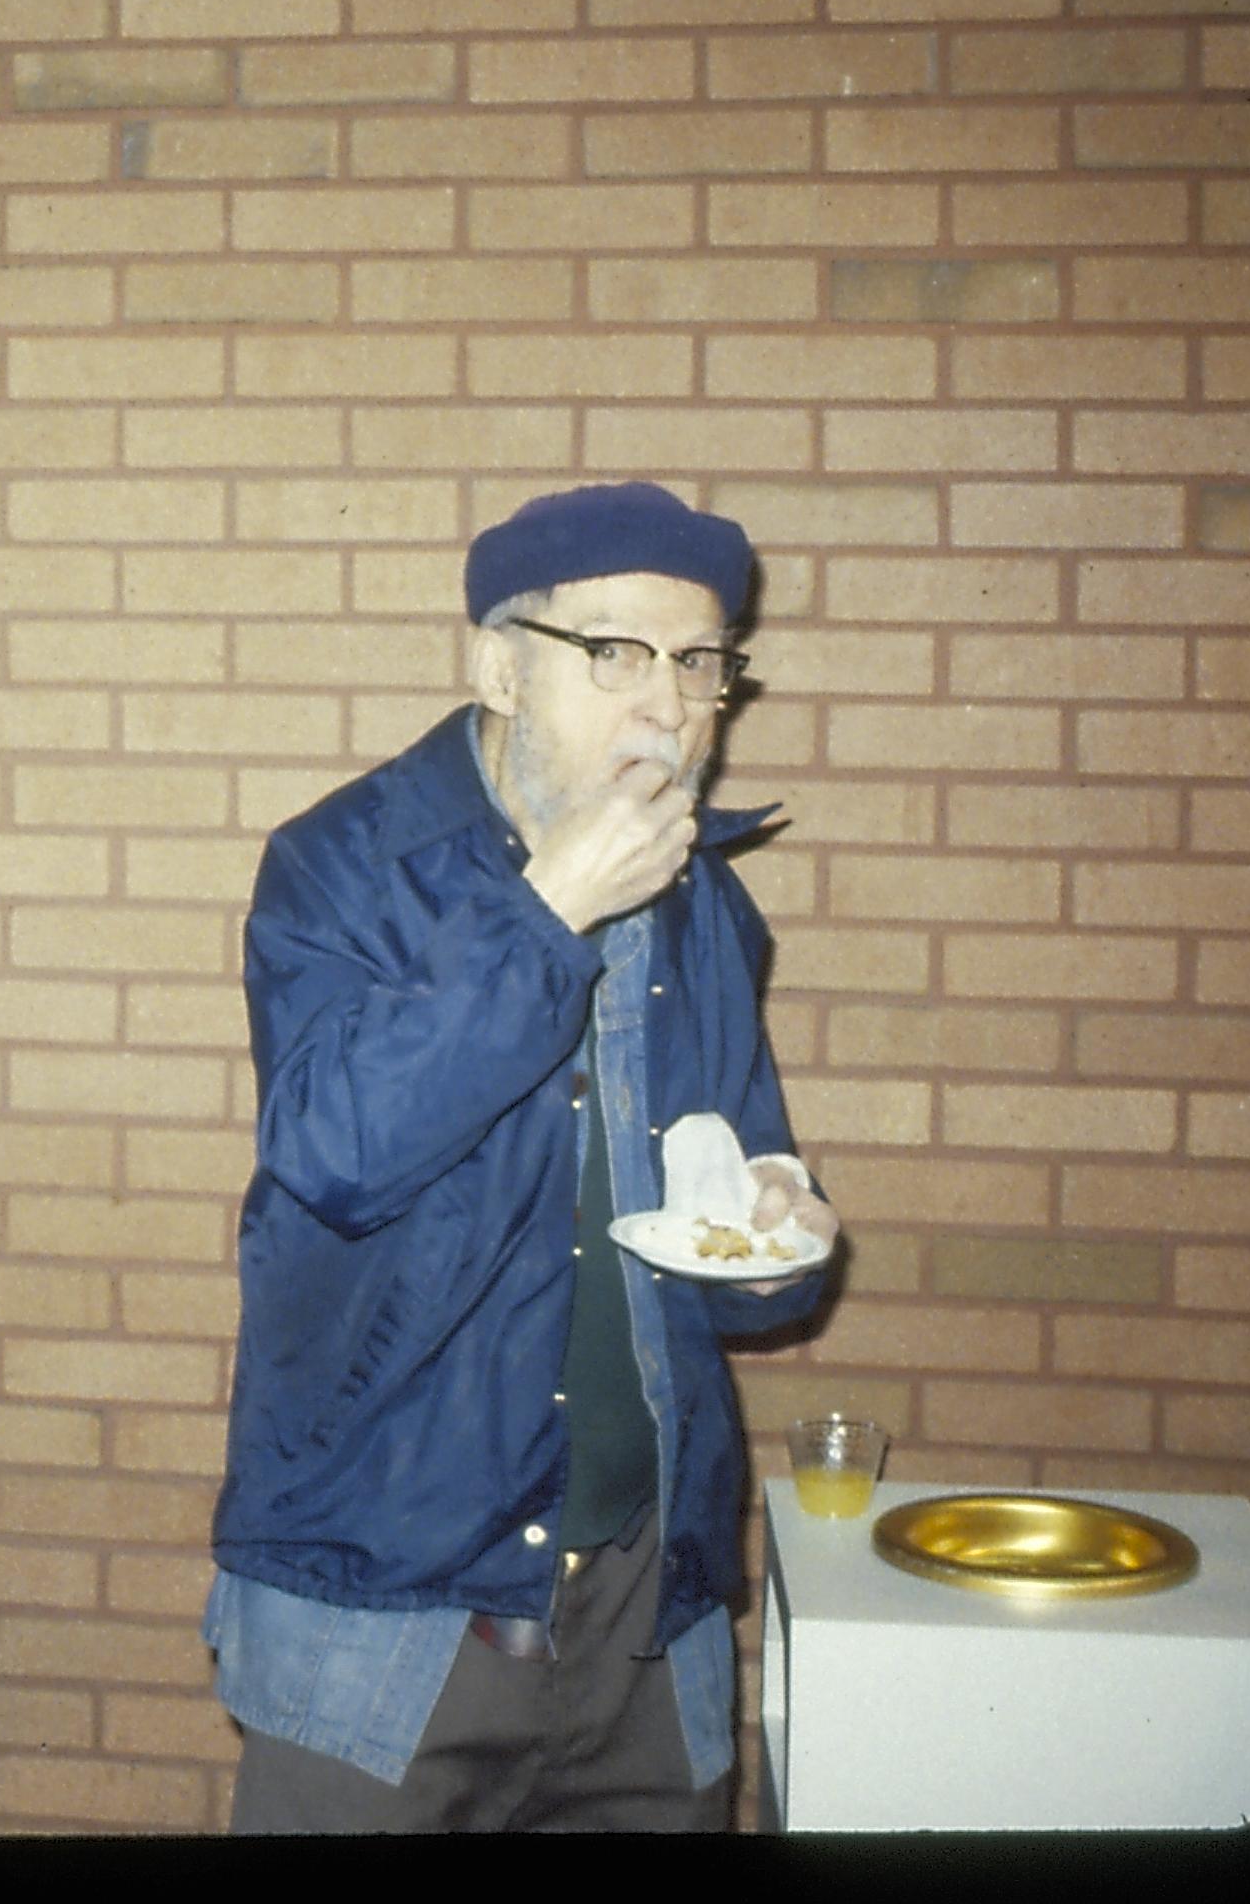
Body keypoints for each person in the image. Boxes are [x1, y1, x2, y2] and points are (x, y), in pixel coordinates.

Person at [204, 481, 841, 1833]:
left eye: (699, 663)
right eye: (614, 655)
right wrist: (551, 910)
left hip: (644, 1615)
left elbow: (741, 1240)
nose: (666, 706)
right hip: (388, 1612)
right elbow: (336, 1152)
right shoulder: (343, 870)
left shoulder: (707, 904)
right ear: (498, 666)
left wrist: (781, 1222)